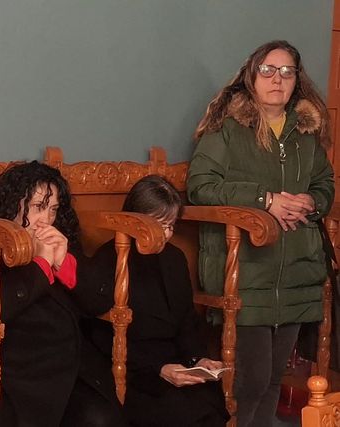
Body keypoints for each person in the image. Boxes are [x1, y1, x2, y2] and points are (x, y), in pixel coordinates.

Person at [187, 40, 334, 427]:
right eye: (268, 70)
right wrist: (265, 199)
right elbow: (200, 186)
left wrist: (311, 201)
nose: (277, 79)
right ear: (251, 76)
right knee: (249, 381)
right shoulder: (228, 128)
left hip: (297, 271)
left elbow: (325, 184)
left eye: (287, 72)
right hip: (246, 272)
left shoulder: (305, 133)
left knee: (272, 380)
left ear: (297, 80)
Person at [0, 161, 128, 427]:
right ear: (13, 204)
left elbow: (99, 301)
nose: (46, 219)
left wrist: (63, 263)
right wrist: (41, 265)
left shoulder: (59, 240)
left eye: (53, 209)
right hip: (14, 371)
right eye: (37, 207)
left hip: (68, 368)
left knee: (101, 418)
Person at [81, 175, 230, 427]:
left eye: (170, 225)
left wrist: (197, 360)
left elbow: (186, 320)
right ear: (134, 219)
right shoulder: (109, 259)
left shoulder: (174, 258)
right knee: (178, 411)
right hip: (132, 368)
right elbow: (99, 335)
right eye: (158, 225)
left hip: (175, 361)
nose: (166, 234)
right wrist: (159, 368)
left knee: (209, 400)